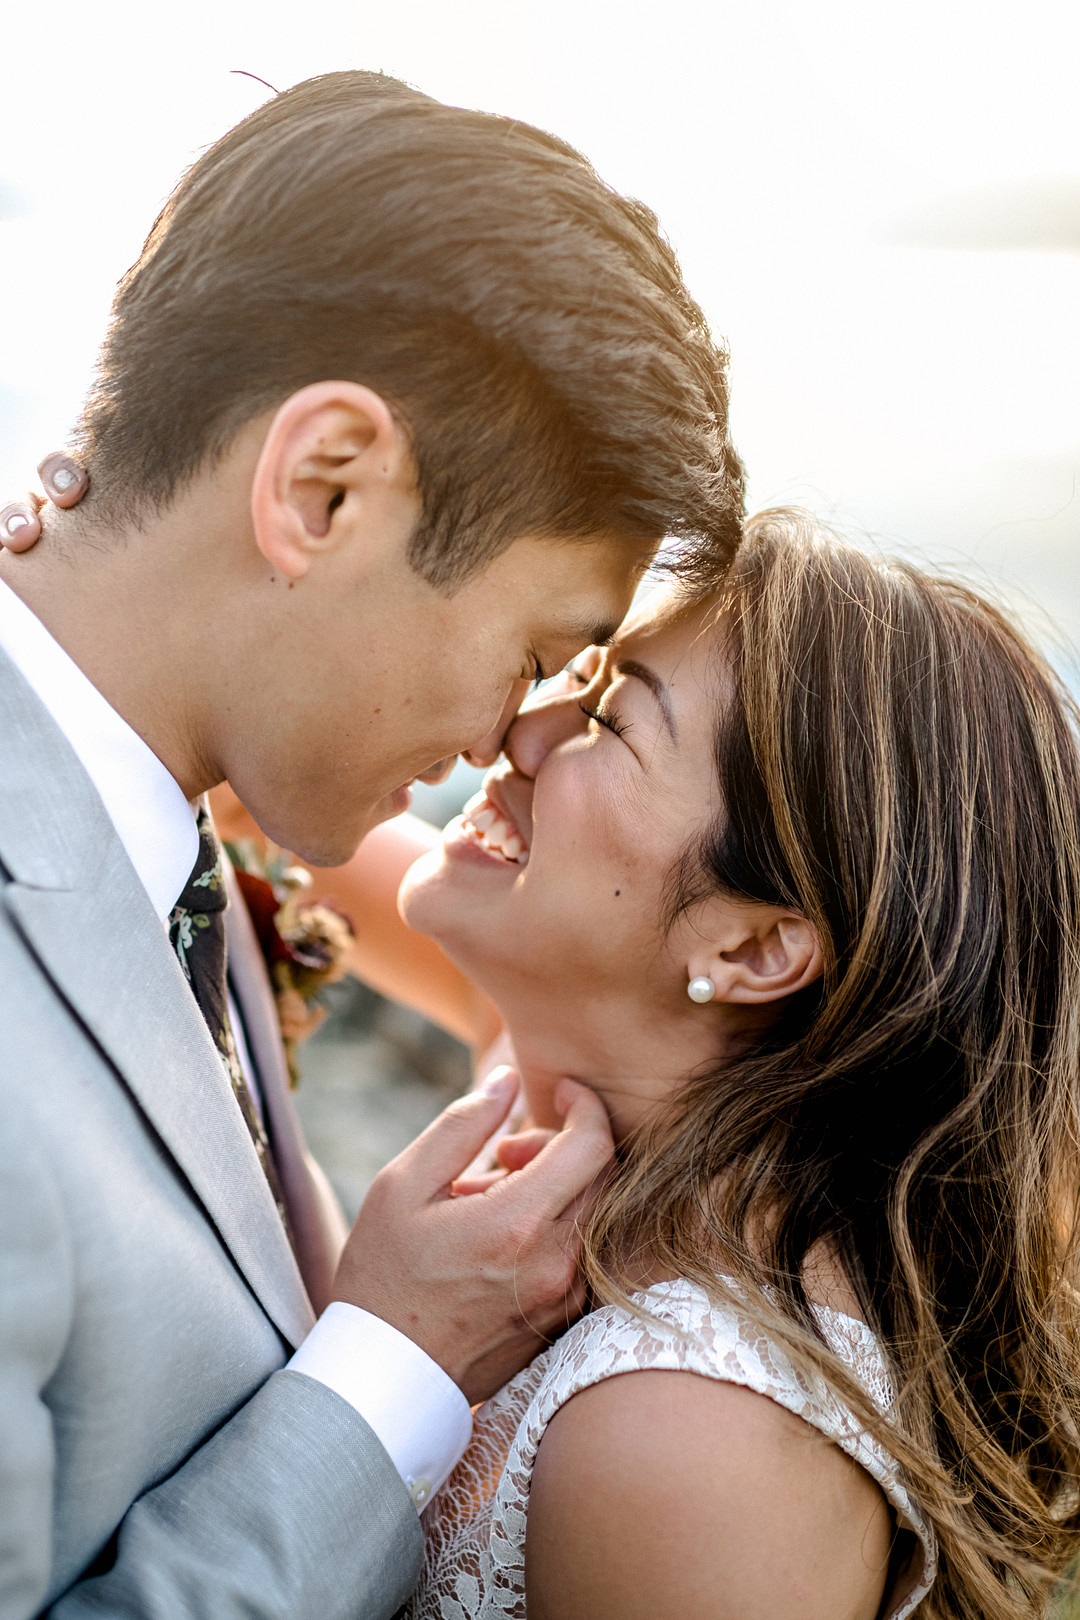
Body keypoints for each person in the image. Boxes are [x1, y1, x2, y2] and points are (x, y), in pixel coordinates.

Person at [0, 70, 743, 1620]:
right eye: (536, 648)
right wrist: (388, 1366)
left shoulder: (173, 841)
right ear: (324, 486)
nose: (503, 738)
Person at [283, 511, 1080, 1619]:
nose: (515, 731)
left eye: (609, 716)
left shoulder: (696, 1437)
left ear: (752, 947)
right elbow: (301, 822)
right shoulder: (582, 1064)